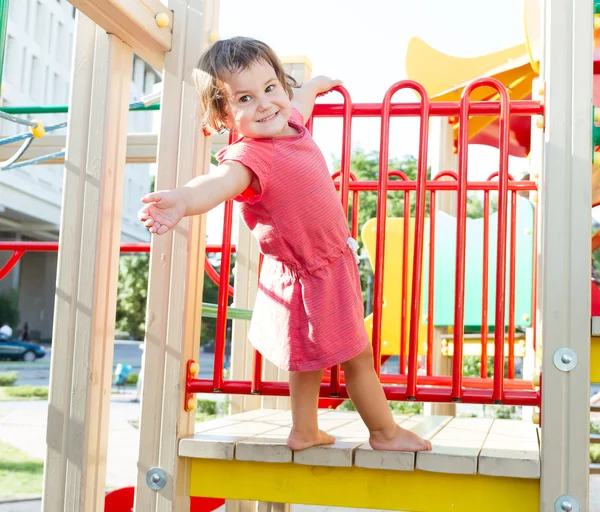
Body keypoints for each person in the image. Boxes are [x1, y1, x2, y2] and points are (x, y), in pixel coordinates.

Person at [138, 37, 431, 453]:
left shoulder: (291, 124)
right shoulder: (248, 158)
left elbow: (301, 103)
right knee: (359, 356)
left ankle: (304, 430)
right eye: (245, 97)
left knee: (306, 358)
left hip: (323, 263)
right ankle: (384, 432)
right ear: (224, 114)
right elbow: (217, 184)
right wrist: (183, 200)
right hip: (311, 270)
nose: (264, 104)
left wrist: (315, 86)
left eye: (270, 88)